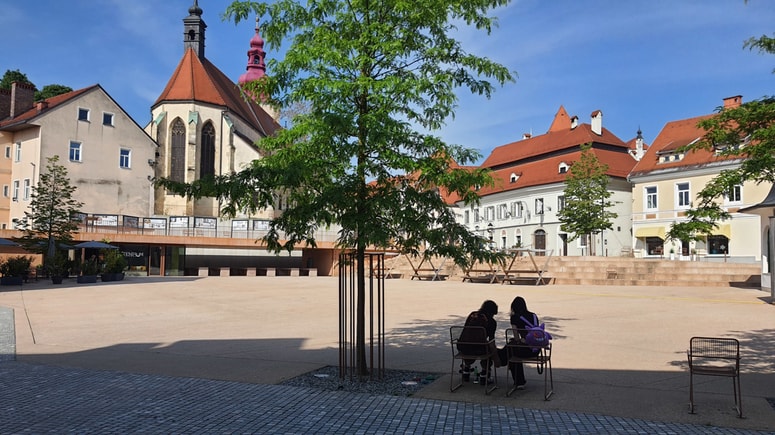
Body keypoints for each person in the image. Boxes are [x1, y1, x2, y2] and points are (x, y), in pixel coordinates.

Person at [499, 296, 540, 388]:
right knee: (512, 350)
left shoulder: (515, 318)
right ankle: (519, 381)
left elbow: (516, 337)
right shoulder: (534, 316)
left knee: (511, 351)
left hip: (525, 349)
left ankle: (518, 380)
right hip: (536, 349)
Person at [459, 299, 500, 380]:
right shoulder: (492, 322)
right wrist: (496, 358)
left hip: (463, 347)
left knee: (471, 347)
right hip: (479, 348)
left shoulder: (472, 315)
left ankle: (466, 369)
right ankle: (485, 373)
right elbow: (492, 342)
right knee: (488, 350)